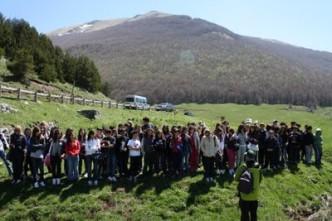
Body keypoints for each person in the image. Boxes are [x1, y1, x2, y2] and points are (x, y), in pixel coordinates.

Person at [235, 150, 263, 221]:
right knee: (254, 214)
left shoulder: (243, 167)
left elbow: (236, 178)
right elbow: (260, 180)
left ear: (246, 158)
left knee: (244, 215)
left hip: (244, 196)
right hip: (255, 197)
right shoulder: (258, 168)